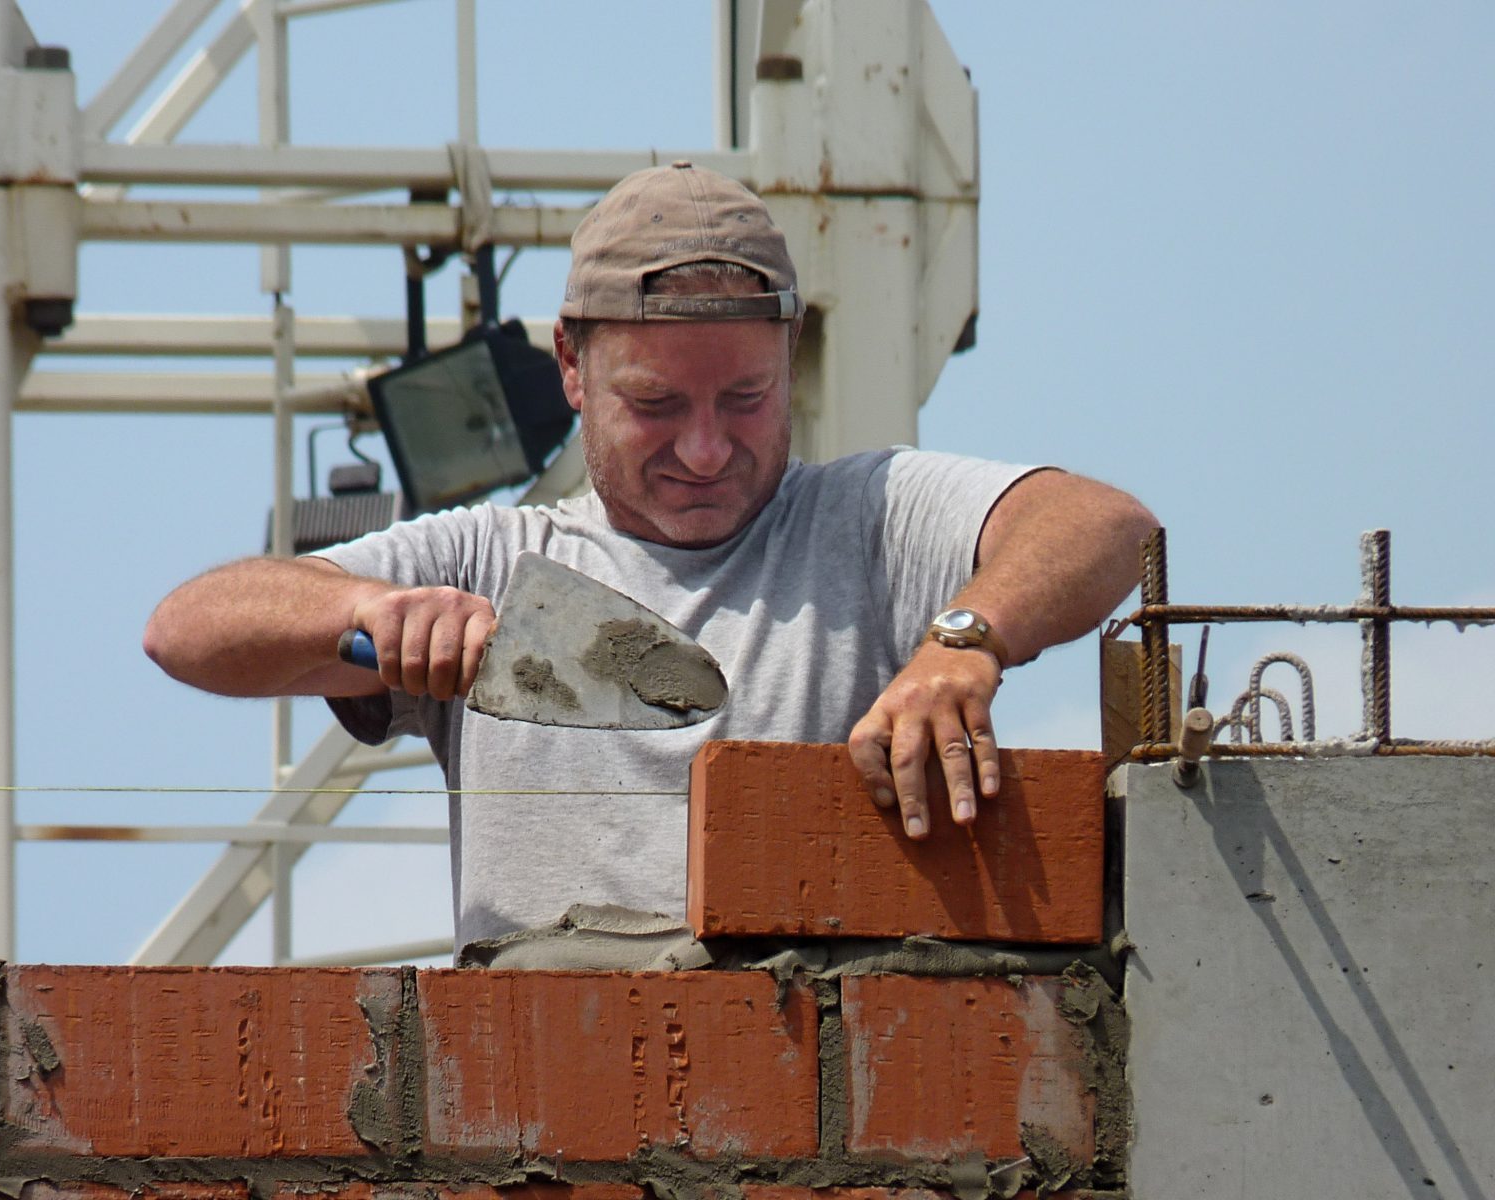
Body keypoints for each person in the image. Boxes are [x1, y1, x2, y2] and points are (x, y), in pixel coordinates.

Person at [145, 162, 1155, 954]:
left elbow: (1102, 524)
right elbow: (185, 631)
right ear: (571, 368)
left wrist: (962, 646)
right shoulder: (490, 562)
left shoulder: (868, 520)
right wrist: (364, 611)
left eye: (745, 401)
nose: (706, 450)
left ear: (788, 355)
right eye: (656, 406)